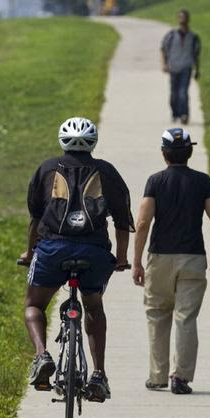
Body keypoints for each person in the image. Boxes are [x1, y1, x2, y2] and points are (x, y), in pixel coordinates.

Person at [20, 117, 134, 402]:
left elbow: (36, 218)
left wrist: (30, 252)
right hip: (93, 252)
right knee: (93, 308)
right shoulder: (106, 171)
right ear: (93, 142)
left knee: (34, 305)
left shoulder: (47, 169)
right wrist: (121, 258)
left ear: (62, 140)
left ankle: (41, 355)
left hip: (52, 250)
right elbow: (122, 222)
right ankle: (98, 375)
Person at [132, 128, 210, 395]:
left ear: (164, 153)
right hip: (193, 257)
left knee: (157, 315)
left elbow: (142, 223)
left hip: (160, 257)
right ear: (190, 152)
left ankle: (157, 375)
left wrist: (137, 261)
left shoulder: (155, 181)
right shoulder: (203, 181)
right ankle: (181, 377)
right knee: (186, 318)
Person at [161, 9, 201, 125]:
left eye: (184, 17)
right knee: (174, 94)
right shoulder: (171, 35)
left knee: (183, 92)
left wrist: (197, 69)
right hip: (173, 67)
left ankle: (184, 115)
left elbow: (196, 54)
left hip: (186, 67)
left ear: (188, 19)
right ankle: (175, 113)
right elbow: (163, 49)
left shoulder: (193, 37)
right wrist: (164, 64)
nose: (182, 19)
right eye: (180, 17)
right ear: (178, 19)